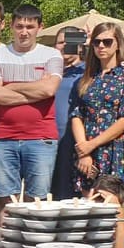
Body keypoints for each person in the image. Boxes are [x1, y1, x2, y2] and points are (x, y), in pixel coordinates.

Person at [0, 4, 63, 224]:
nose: (24, 31)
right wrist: (34, 88)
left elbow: (49, 90)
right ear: (11, 27)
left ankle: (30, 246)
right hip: (3, 138)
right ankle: (4, 245)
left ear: (40, 27)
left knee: (35, 199)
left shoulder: (52, 55)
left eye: (29, 26)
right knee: (4, 198)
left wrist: (10, 86)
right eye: (19, 26)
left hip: (41, 138)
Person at [69, 23, 124, 193]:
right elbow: (77, 115)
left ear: (118, 44)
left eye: (107, 42)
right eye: (96, 42)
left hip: (114, 151)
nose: (101, 46)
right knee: (87, 205)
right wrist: (83, 150)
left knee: (111, 207)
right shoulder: (87, 78)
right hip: (86, 150)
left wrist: (91, 145)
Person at [51, 26, 88, 199]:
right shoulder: (48, 71)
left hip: (73, 141)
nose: (65, 46)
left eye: (70, 42)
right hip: (48, 141)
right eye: (60, 42)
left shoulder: (87, 72)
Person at [87, 174, 124, 248]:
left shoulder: (116, 224)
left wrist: (117, 211)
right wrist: (87, 206)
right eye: (98, 197)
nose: (101, 204)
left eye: (104, 199)